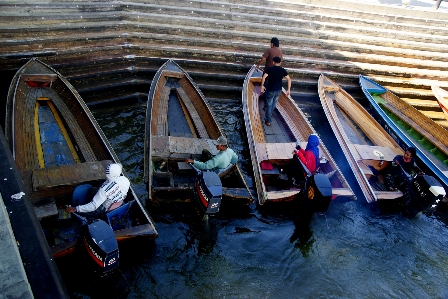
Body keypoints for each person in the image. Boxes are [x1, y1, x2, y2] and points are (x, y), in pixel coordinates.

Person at [66, 163, 130, 215]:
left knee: (91, 208)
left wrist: (75, 209)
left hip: (105, 207)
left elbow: (93, 206)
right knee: (92, 190)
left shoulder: (104, 190)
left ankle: (90, 214)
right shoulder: (126, 180)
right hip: (118, 202)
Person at [260, 56, 291, 126]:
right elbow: (289, 79)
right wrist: (288, 89)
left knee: (269, 105)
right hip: (279, 90)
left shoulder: (270, 69)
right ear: (280, 62)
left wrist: (262, 86)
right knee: (274, 102)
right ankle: (270, 113)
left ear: (273, 62)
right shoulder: (283, 70)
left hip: (271, 89)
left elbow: (264, 77)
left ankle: (268, 121)